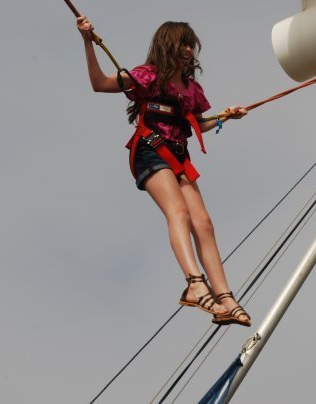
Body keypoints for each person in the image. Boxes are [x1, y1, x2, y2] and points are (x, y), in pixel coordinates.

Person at [77, 17, 251, 327]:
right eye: (182, 43)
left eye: (190, 45)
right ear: (167, 45)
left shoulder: (191, 90)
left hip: (179, 157)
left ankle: (225, 295)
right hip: (150, 150)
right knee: (179, 213)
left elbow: (198, 123)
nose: (187, 50)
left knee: (204, 224)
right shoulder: (147, 77)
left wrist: (225, 117)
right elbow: (99, 84)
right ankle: (195, 283)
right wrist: (88, 42)